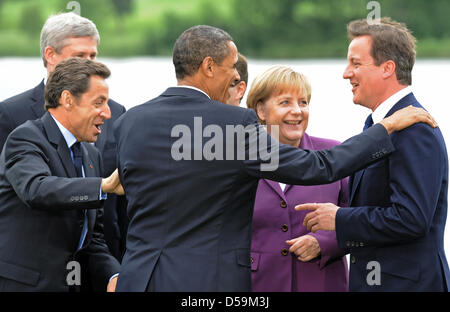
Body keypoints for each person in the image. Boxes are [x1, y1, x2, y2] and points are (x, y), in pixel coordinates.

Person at [113, 24, 435, 292]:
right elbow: (317, 166)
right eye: (231, 70)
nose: (236, 81)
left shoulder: (130, 122)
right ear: (209, 67)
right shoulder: (230, 123)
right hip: (206, 283)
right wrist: (386, 128)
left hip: (138, 278)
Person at [298, 17, 450, 291]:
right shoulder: (378, 125)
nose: (346, 73)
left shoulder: (416, 129)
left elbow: (411, 219)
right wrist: (326, 239)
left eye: (356, 63)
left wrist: (339, 219)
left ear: (387, 68)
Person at [0, 12, 128, 262]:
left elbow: (120, 205)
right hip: (36, 268)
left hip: (99, 260)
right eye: (80, 56)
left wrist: (119, 268)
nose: (89, 64)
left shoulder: (117, 112)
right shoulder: (11, 116)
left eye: (93, 55)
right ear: (50, 55)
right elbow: (33, 188)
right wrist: (101, 186)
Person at [247, 65, 348, 292]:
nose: (297, 111)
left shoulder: (334, 154)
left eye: (303, 102)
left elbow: (365, 222)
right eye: (285, 103)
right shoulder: (240, 161)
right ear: (260, 110)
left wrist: (325, 243)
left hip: (323, 284)